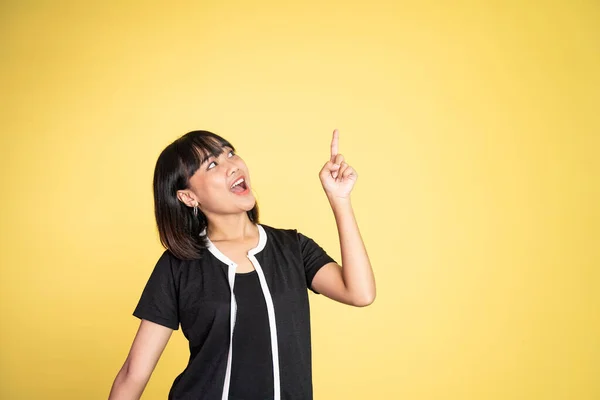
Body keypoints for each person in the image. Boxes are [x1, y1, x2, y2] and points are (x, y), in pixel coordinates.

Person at [108, 129, 376, 400]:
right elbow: (134, 373)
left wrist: (340, 199)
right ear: (189, 197)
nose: (232, 165)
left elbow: (359, 293)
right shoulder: (178, 266)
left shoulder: (293, 247)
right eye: (212, 164)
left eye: (230, 153)